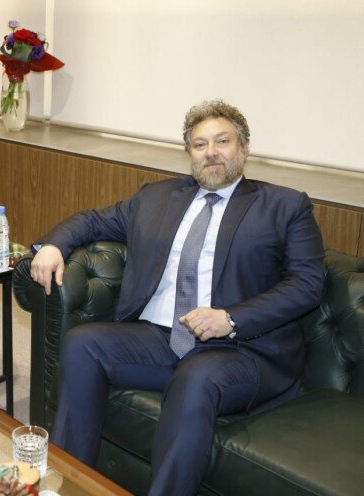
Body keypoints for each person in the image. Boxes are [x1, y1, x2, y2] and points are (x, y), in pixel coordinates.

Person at [30, 100, 325, 495]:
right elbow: (92, 221)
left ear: (244, 148)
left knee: (196, 378)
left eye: (223, 141)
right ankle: (69, 485)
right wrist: (53, 246)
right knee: (83, 343)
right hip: (160, 338)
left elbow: (307, 283)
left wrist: (231, 318)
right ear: (189, 153)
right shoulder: (157, 197)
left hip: (243, 351)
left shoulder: (285, 205)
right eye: (200, 144)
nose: (211, 152)